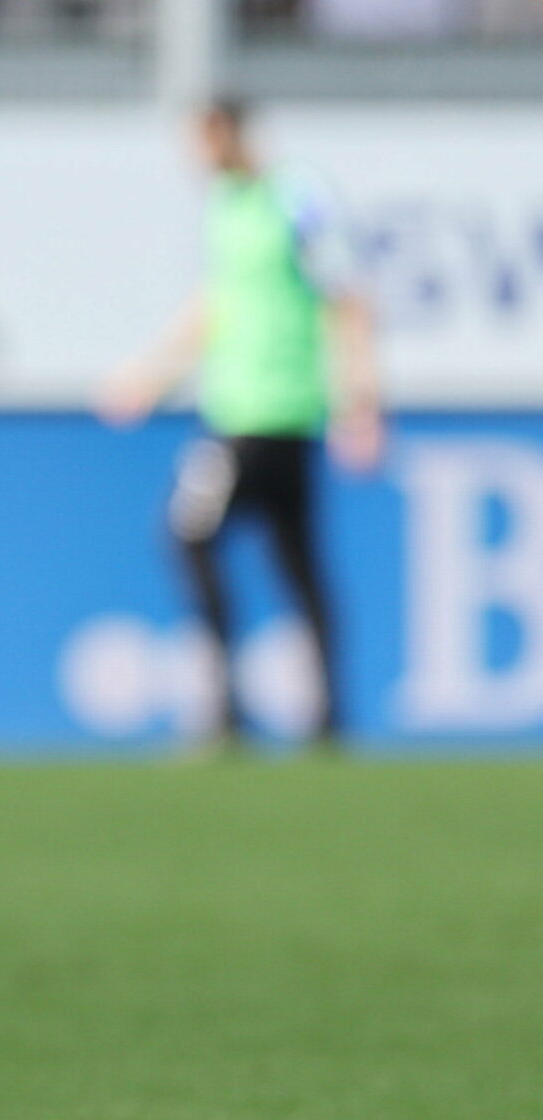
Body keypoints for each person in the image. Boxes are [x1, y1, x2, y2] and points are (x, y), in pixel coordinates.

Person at [100, 98, 380, 751]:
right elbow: (215, 309)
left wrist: (359, 402)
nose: (197, 159)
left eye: (203, 141)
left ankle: (247, 709)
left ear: (230, 134)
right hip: (243, 407)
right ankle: (307, 714)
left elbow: (347, 296)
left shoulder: (296, 199)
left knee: (195, 535)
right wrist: (150, 374)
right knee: (293, 559)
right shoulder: (226, 211)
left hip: (275, 412)